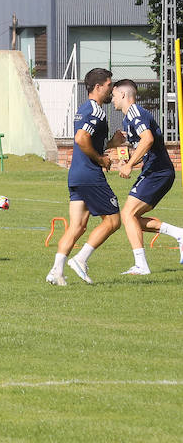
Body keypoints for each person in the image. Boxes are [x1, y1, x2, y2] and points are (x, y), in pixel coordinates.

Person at [46, 67, 120, 286]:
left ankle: (56, 271)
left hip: (76, 174)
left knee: (77, 226)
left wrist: (111, 145)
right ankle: (80, 259)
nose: (111, 90)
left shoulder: (83, 109)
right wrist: (100, 159)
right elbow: (80, 138)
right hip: (89, 175)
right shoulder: (96, 111)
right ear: (98, 87)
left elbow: (89, 141)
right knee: (114, 220)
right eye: (109, 85)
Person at [108, 78, 183, 275]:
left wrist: (130, 165)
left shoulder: (134, 112)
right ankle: (179, 234)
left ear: (123, 94)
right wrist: (129, 158)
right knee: (131, 217)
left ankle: (142, 265)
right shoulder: (128, 118)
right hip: (156, 170)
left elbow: (148, 139)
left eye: (114, 94)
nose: (112, 98)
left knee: (128, 214)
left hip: (158, 172)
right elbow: (148, 146)